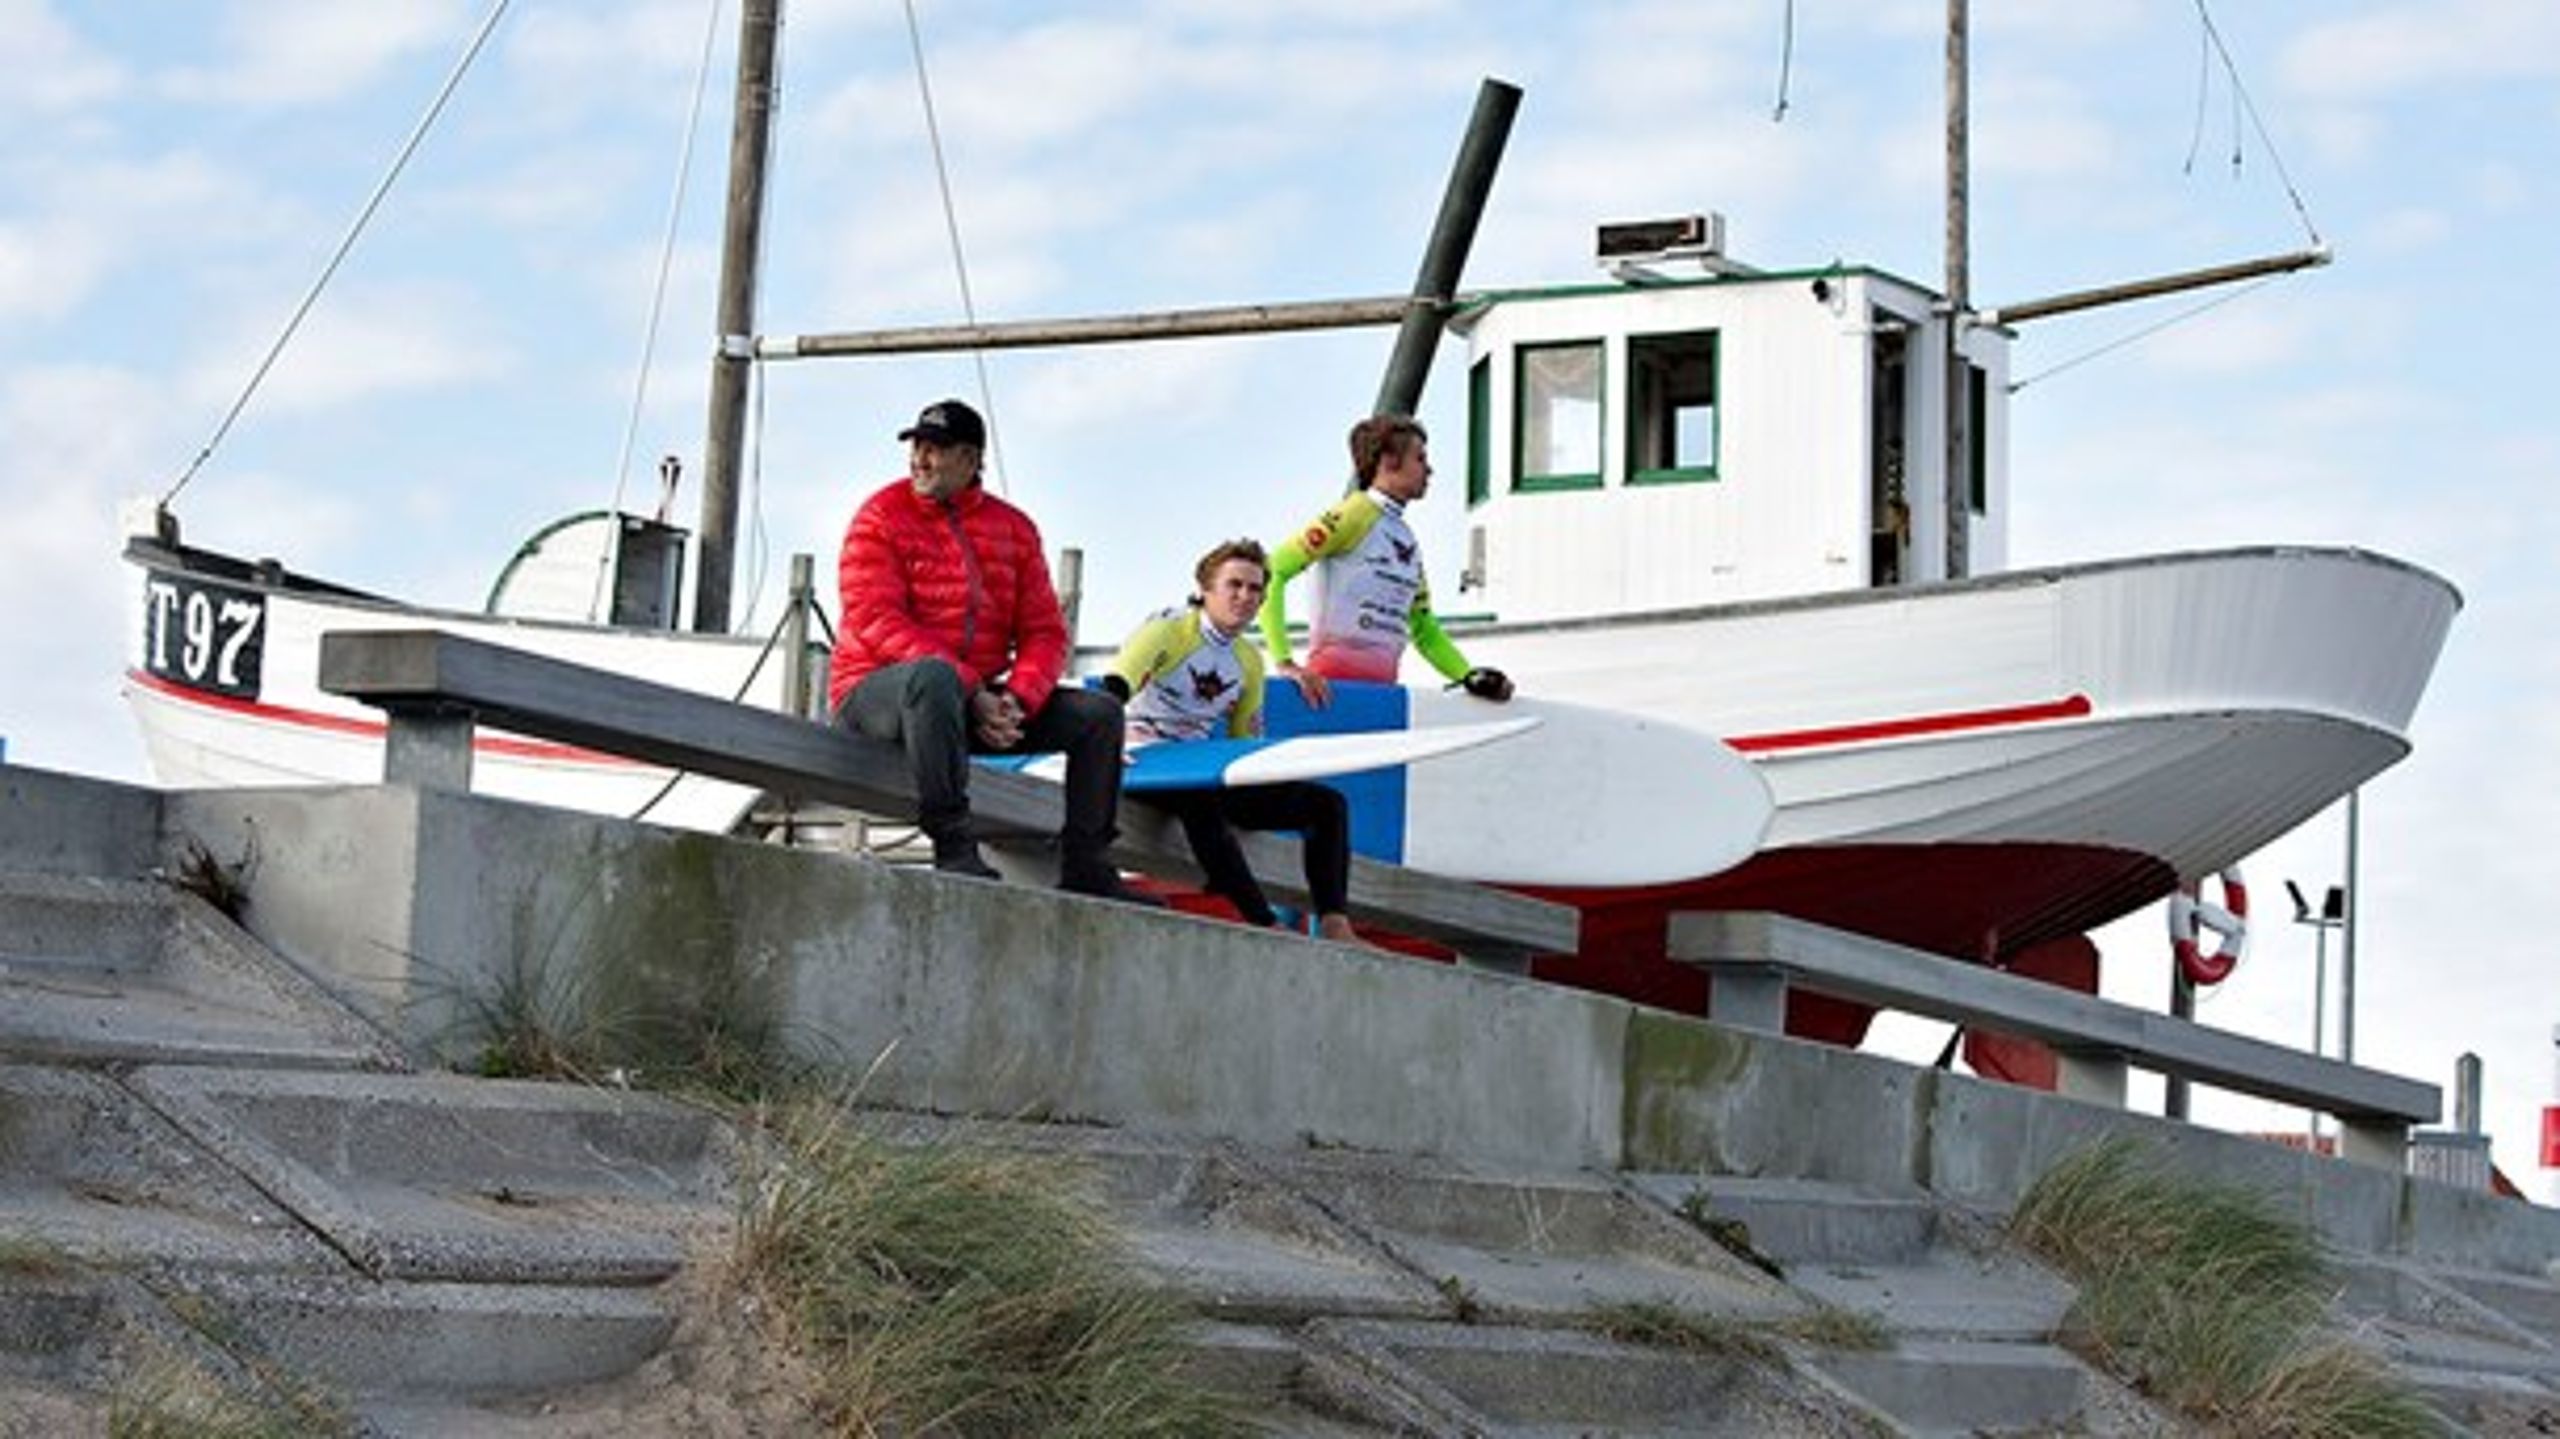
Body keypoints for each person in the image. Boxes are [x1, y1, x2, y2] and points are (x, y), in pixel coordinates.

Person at [828, 398, 1160, 907]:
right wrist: (971, 688)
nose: (919, 458)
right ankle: (954, 846)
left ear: (970, 459)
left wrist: (1016, 700)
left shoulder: (1015, 529)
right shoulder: (879, 517)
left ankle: (1087, 866)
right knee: (933, 678)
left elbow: (1045, 632)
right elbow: (876, 619)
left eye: (934, 449)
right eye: (915, 446)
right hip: (878, 694)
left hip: (971, 704)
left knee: (1099, 714)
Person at [1106, 539, 1359, 943]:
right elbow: (1113, 688)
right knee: (1199, 799)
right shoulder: (1168, 631)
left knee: (1326, 804)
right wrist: (1107, 743)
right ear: (1206, 590)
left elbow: (1244, 743)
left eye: (1255, 589)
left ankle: (1334, 921)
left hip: (1196, 764)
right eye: (1234, 585)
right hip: (1142, 763)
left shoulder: (1247, 660)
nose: (1245, 597)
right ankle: (1264, 923)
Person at [1256, 413, 1513, 708]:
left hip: (1381, 697)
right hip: (1327, 693)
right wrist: (1284, 662)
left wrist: (1469, 676)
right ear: (1389, 460)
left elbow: (1425, 631)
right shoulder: (1353, 513)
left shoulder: (1407, 541)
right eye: (1420, 459)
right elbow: (1272, 571)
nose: (1430, 470)